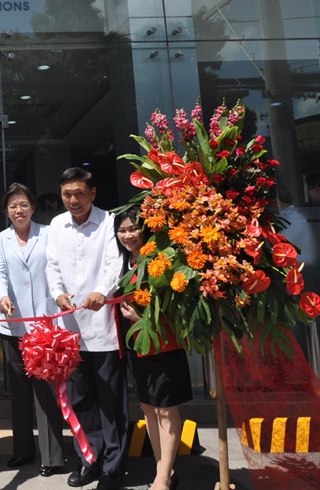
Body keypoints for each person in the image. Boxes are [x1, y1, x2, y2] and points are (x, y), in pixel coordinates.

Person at [45, 167, 127, 490]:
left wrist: (102, 291)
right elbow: (51, 266)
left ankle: (114, 467)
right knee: (81, 399)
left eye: (80, 193)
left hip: (104, 325)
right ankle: (89, 460)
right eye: (67, 194)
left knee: (110, 399)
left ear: (93, 194)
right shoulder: (56, 225)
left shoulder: (108, 222)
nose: (73, 200)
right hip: (70, 328)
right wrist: (58, 293)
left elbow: (114, 264)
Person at [0, 183, 66, 478]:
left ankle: (53, 456)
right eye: (12, 206)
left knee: (46, 392)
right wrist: (1, 296)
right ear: (6, 211)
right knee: (20, 392)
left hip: (46, 326)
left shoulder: (48, 234)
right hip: (14, 325)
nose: (18, 210)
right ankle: (22, 451)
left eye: (23, 204)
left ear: (33, 207)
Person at [115, 207, 189, 490]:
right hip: (138, 345)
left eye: (133, 229)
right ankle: (164, 469)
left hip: (164, 343)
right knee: (148, 407)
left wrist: (140, 318)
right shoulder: (126, 262)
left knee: (166, 410)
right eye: (122, 231)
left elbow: (176, 305)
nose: (128, 235)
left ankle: (163, 478)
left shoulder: (162, 259)